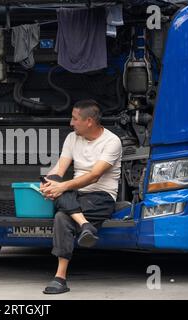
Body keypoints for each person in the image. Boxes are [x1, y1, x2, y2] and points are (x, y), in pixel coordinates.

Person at [40, 99, 122, 294]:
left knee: (61, 215)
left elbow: (94, 176)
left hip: (101, 197)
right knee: (56, 189)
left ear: (90, 121)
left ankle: (60, 278)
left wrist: (61, 187)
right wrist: (47, 183)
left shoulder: (112, 142)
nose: (71, 123)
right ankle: (85, 225)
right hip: (76, 195)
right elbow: (60, 168)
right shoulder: (72, 138)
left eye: (75, 119)